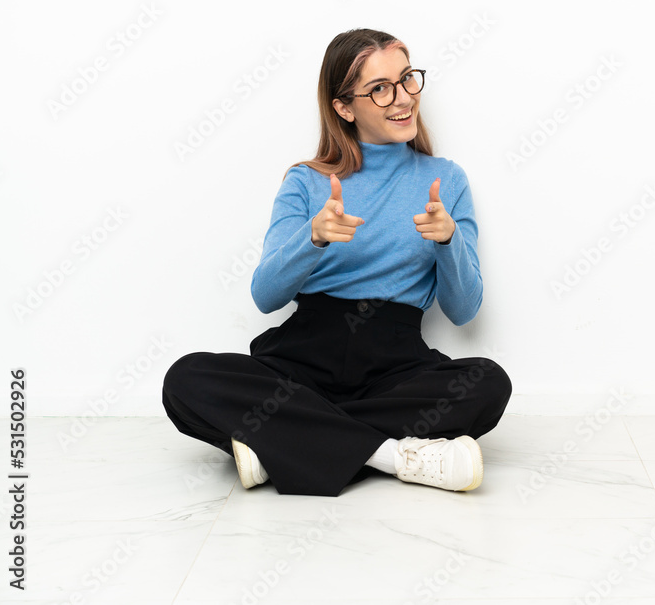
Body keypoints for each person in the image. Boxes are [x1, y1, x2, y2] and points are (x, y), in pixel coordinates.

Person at [161, 28, 512, 496]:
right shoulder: (307, 181)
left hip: (395, 363)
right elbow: (265, 296)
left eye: (407, 78)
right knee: (185, 379)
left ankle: (280, 445)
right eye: (380, 88)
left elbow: (464, 311)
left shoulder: (445, 179)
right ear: (344, 107)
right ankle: (393, 456)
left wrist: (449, 242)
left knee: (487, 383)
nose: (403, 98)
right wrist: (314, 238)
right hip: (303, 360)